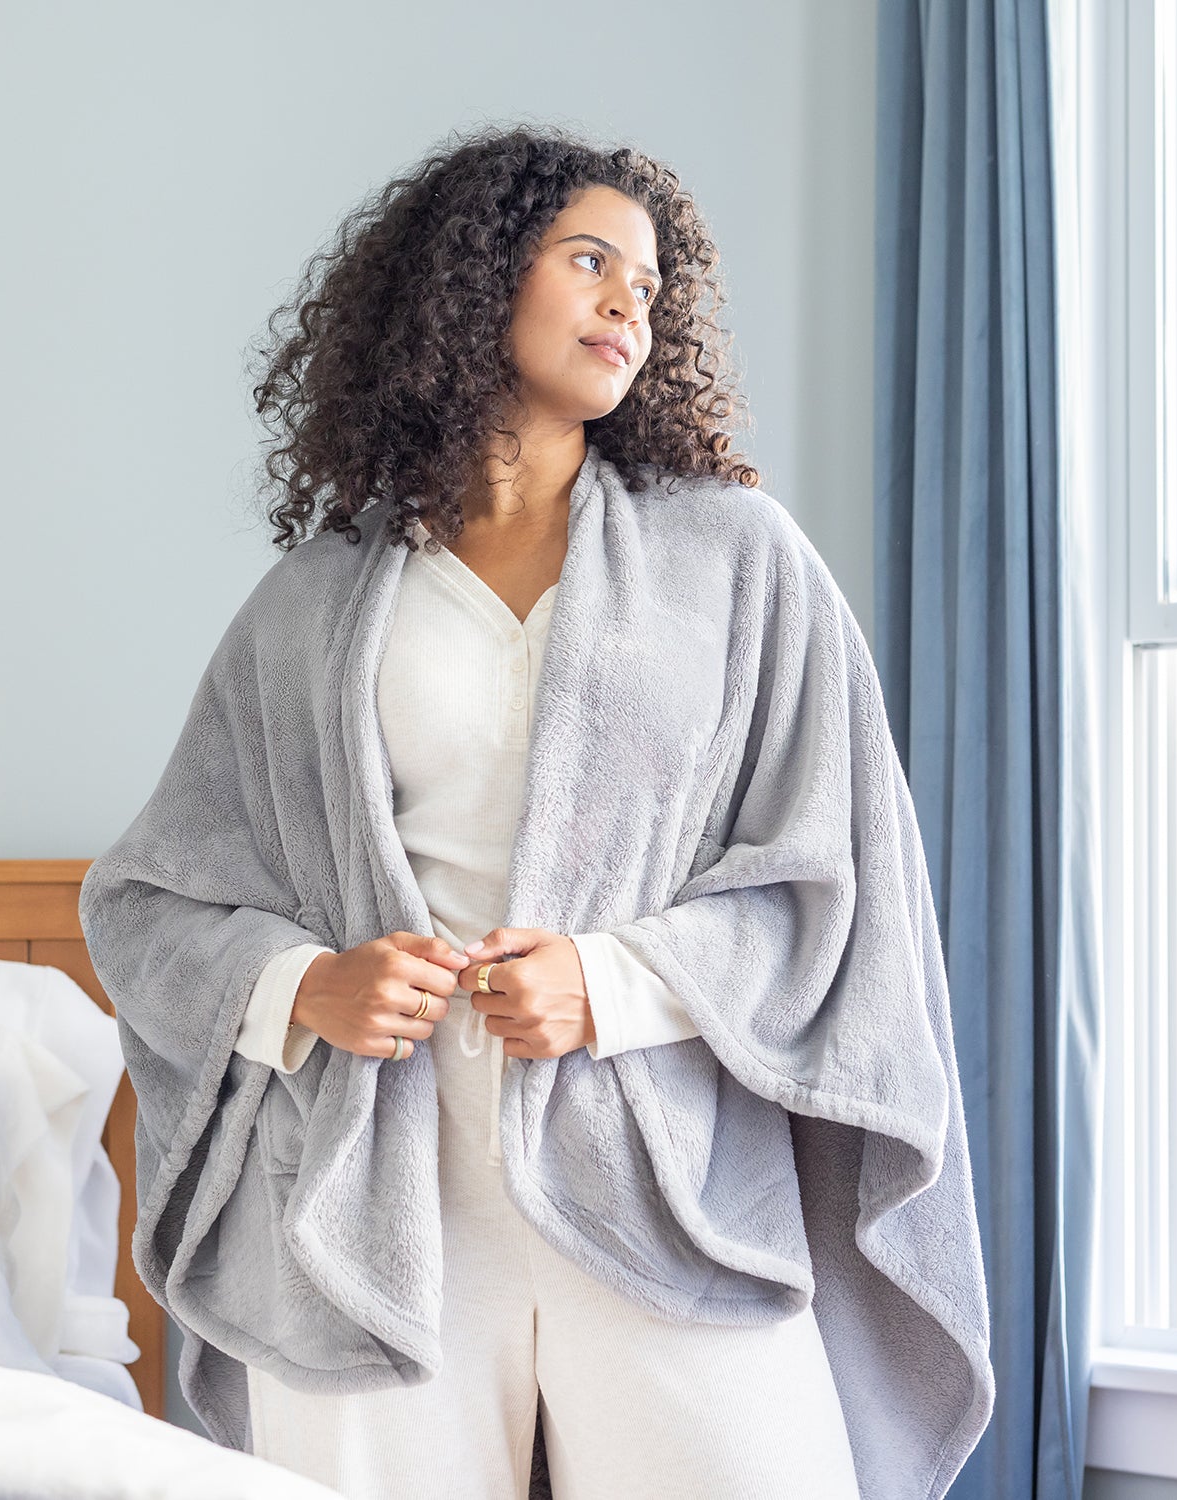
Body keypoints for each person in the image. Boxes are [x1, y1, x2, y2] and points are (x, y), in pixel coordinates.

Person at [221, 124, 865, 1499]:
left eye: (650, 280)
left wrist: (612, 982)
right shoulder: (317, 604)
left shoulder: (738, 559)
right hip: (376, 1188)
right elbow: (158, 894)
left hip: (663, 1167)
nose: (633, 300)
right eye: (592, 261)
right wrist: (306, 986)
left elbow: (830, 876)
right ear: (473, 278)